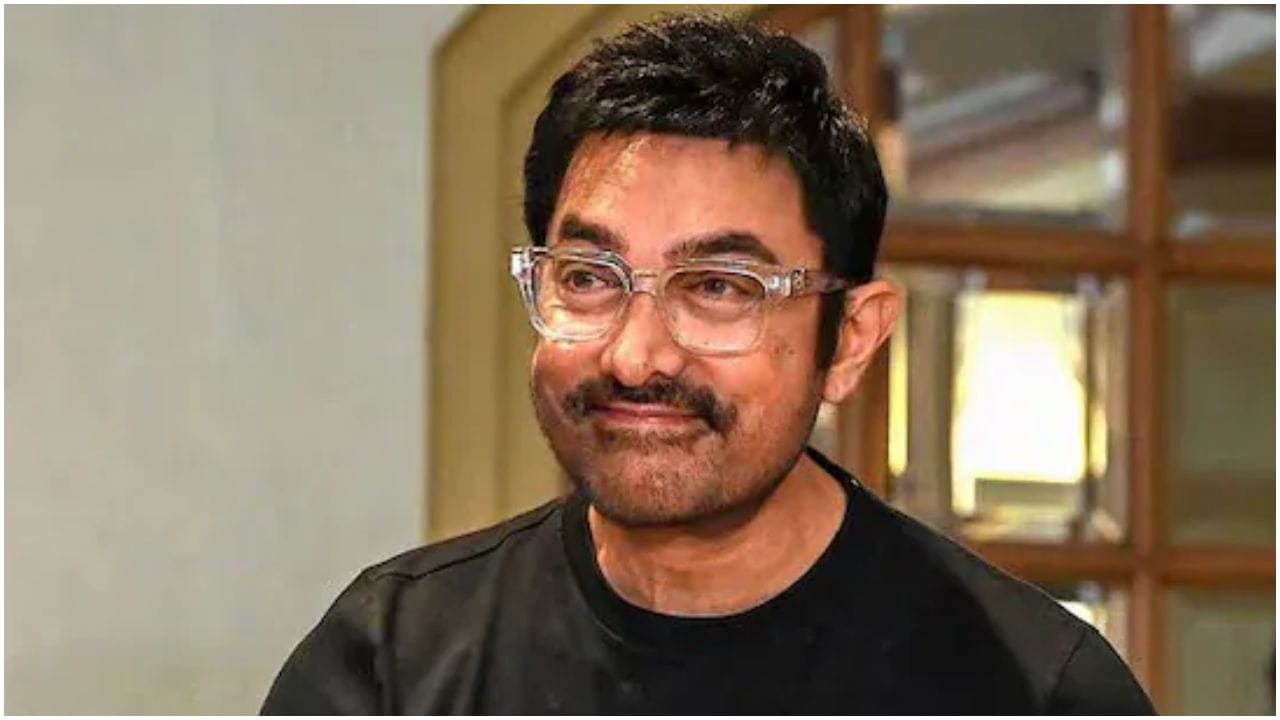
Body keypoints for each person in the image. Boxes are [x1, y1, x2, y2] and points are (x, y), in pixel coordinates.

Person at [261, 14, 1154, 715]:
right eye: (588, 277)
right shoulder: (393, 662)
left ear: (850, 340)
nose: (636, 355)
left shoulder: (1032, 691)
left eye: (720, 287)